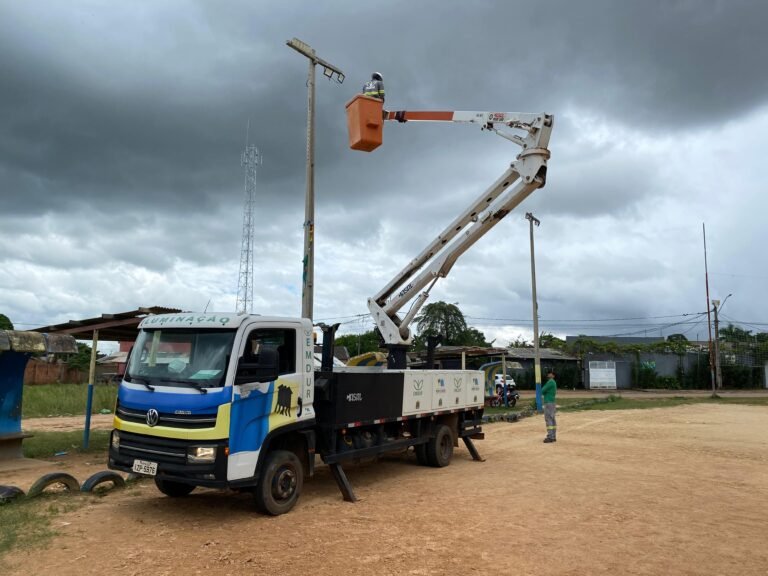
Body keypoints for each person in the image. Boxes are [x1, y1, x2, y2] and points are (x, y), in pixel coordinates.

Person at [542, 370, 557, 443]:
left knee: (548, 419)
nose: (549, 374)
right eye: (548, 373)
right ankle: (553, 436)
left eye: (550, 374)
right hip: (552, 402)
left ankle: (550, 437)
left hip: (548, 402)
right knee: (552, 419)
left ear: (553, 375)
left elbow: (542, 390)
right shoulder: (553, 382)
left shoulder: (550, 382)